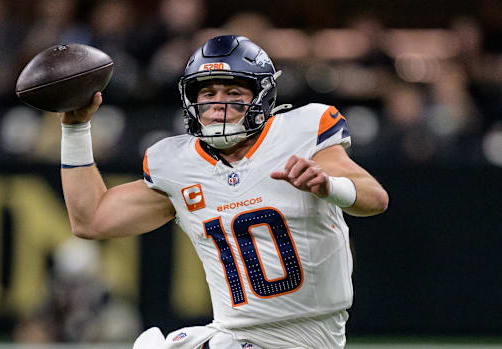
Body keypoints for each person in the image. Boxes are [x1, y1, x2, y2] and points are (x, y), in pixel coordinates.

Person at [60, 35, 389, 348]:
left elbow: (375, 198)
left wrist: (330, 186)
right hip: (236, 335)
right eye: (208, 94)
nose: (218, 105)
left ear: (261, 96)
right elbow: (91, 220)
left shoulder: (302, 133)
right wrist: (75, 128)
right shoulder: (177, 165)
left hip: (313, 334)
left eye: (233, 92)